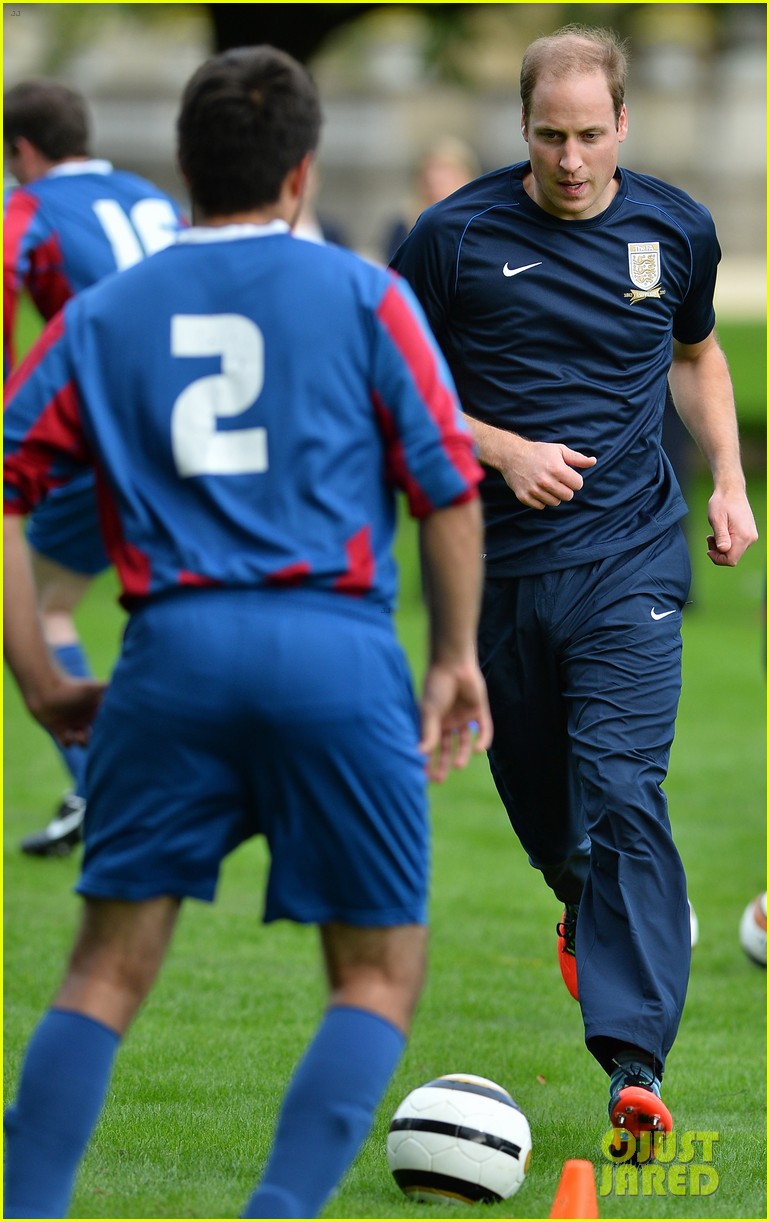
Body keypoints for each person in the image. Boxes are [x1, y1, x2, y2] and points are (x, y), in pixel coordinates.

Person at [3, 44, 491, 1219]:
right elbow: (446, 488)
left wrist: (35, 672)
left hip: (169, 656)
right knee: (375, 971)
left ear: (183, 166)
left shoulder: (106, 314)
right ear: (300, 173)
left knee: (108, 969)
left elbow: (8, 491)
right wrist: (453, 658)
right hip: (334, 648)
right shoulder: (368, 295)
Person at [391, 23, 757, 1151]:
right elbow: (392, 386)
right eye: (548, 135)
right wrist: (498, 449)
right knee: (559, 826)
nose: (569, 158)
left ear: (621, 126)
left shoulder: (673, 228)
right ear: (522, 128)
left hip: (632, 560)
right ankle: (584, 903)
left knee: (620, 788)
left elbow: (694, 353)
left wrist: (729, 482)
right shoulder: (449, 240)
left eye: (589, 135)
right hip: (493, 575)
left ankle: (632, 1066)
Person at [3, 78, 186, 856]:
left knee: (38, 608)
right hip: (188, 422)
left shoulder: (29, 206)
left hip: (98, 424)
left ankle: (105, 784)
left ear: (22, 152)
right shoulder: (149, 195)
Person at [382, 134, 480, 263]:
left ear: (466, 175)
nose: (433, 177)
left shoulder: (481, 221)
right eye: (428, 169)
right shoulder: (405, 225)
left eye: (444, 168)